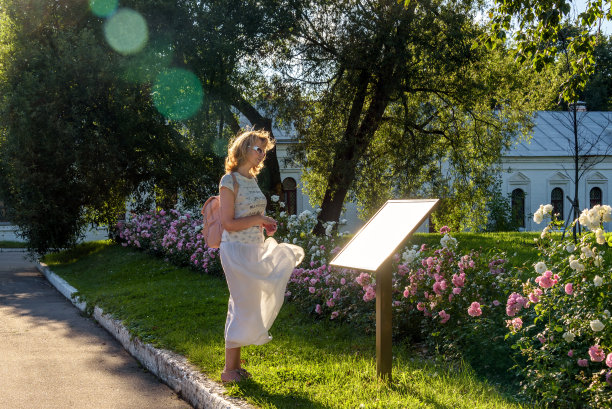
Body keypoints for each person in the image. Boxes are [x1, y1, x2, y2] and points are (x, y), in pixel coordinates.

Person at [218, 129, 304, 383]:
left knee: (245, 304)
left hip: (255, 246)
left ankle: (233, 368)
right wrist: (258, 219)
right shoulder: (229, 181)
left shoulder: (252, 181)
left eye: (264, 151)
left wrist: (263, 226)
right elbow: (228, 223)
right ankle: (229, 371)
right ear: (244, 149)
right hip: (235, 250)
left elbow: (250, 217)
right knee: (242, 304)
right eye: (258, 149)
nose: (262, 154)